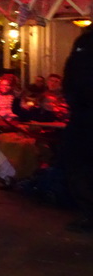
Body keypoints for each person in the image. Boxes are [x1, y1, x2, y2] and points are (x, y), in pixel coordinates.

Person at [61, 27, 93, 232]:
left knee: (79, 166)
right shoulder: (85, 41)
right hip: (83, 114)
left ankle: (89, 214)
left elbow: (75, 77)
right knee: (78, 166)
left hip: (84, 115)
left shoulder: (85, 43)